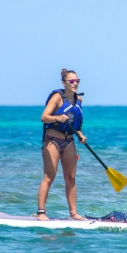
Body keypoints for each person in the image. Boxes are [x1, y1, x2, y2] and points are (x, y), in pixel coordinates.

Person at [37, 68, 87, 221]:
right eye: (71, 81)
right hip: (53, 140)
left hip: (69, 140)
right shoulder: (58, 97)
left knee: (71, 178)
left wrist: (80, 134)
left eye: (77, 81)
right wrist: (57, 118)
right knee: (49, 177)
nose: (75, 84)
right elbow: (44, 117)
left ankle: (73, 213)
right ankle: (41, 213)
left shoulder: (79, 100)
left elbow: (75, 123)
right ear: (64, 83)